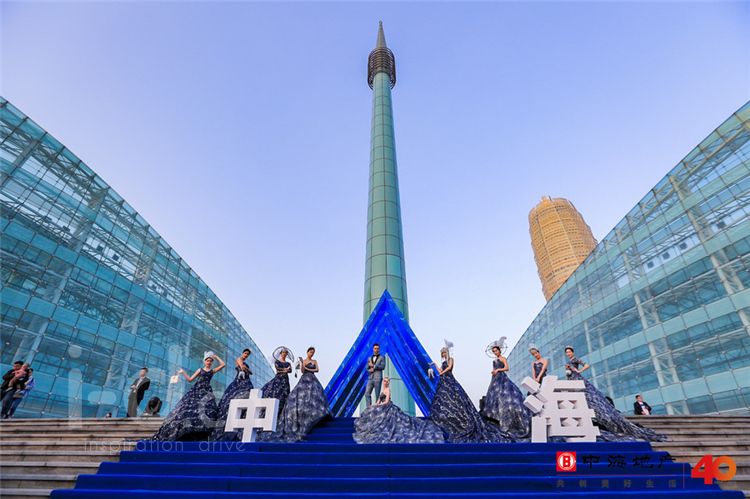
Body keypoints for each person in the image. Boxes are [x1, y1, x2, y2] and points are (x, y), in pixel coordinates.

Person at [564, 346, 665, 441]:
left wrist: (578, 371)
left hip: (576, 378)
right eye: (567, 352)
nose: (568, 353)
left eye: (569, 352)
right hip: (571, 379)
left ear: (573, 352)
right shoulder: (569, 361)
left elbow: (586, 365)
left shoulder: (575, 359)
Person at [428, 341, 511, 443]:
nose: (443, 355)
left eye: (444, 353)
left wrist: (442, 373)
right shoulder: (443, 362)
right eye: (442, 354)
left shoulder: (451, 359)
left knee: (457, 398)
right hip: (444, 381)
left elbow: (449, 368)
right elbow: (440, 371)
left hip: (450, 380)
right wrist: (434, 365)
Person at [259, 347, 331, 442]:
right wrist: (302, 365)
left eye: (313, 352)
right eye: (310, 352)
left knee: (314, 395)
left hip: (309, 379)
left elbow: (316, 370)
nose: (312, 353)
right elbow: (301, 370)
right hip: (294, 379)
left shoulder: (314, 361)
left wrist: (304, 367)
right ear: (307, 352)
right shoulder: (300, 361)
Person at [152, 353, 226, 441]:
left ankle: (201, 433)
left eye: (210, 361)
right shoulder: (200, 370)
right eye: (207, 361)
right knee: (192, 410)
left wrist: (216, 356)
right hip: (197, 390)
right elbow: (190, 379)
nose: (209, 362)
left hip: (206, 392)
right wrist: (183, 372)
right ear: (204, 361)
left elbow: (223, 365)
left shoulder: (212, 371)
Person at [354, 377, 445, 444]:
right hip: (382, 407)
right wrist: (374, 405)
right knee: (371, 410)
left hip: (388, 407)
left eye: (386, 381)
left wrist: (379, 405)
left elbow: (386, 401)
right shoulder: (382, 390)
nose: (385, 382)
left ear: (388, 382)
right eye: (384, 381)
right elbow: (378, 401)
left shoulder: (388, 390)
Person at [480, 338, 531, 439]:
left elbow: (507, 368)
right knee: (495, 398)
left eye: (496, 350)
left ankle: (509, 421)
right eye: (494, 351)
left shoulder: (503, 358)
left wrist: (498, 370)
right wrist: (493, 372)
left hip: (502, 378)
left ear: (499, 350)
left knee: (506, 396)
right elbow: (494, 370)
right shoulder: (494, 361)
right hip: (495, 380)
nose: (495, 352)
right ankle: (496, 419)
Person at [213, 348, 254, 440]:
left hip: (247, 381)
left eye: (247, 354)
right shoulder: (238, 359)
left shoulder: (245, 362)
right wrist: (246, 368)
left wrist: (246, 369)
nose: (246, 355)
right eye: (245, 353)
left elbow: (251, 372)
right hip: (240, 381)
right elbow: (242, 367)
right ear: (242, 353)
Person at [260, 347, 293, 416]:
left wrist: (285, 370)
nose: (285, 354)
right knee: (275, 393)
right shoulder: (277, 361)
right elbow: (278, 369)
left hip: (285, 380)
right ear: (281, 353)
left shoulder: (288, 363)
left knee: (284, 394)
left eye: (286, 353)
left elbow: (290, 371)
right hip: (278, 379)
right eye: (283, 352)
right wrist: (285, 370)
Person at [364, 343, 386, 408]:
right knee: (367, 393)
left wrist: (374, 366)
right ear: (373, 349)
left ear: (379, 349)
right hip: (370, 378)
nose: (376, 350)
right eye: (375, 348)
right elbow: (367, 367)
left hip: (378, 378)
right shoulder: (369, 358)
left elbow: (383, 366)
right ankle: (369, 408)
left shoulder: (382, 357)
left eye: (377, 348)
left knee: (377, 395)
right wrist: (369, 370)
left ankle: (377, 409)